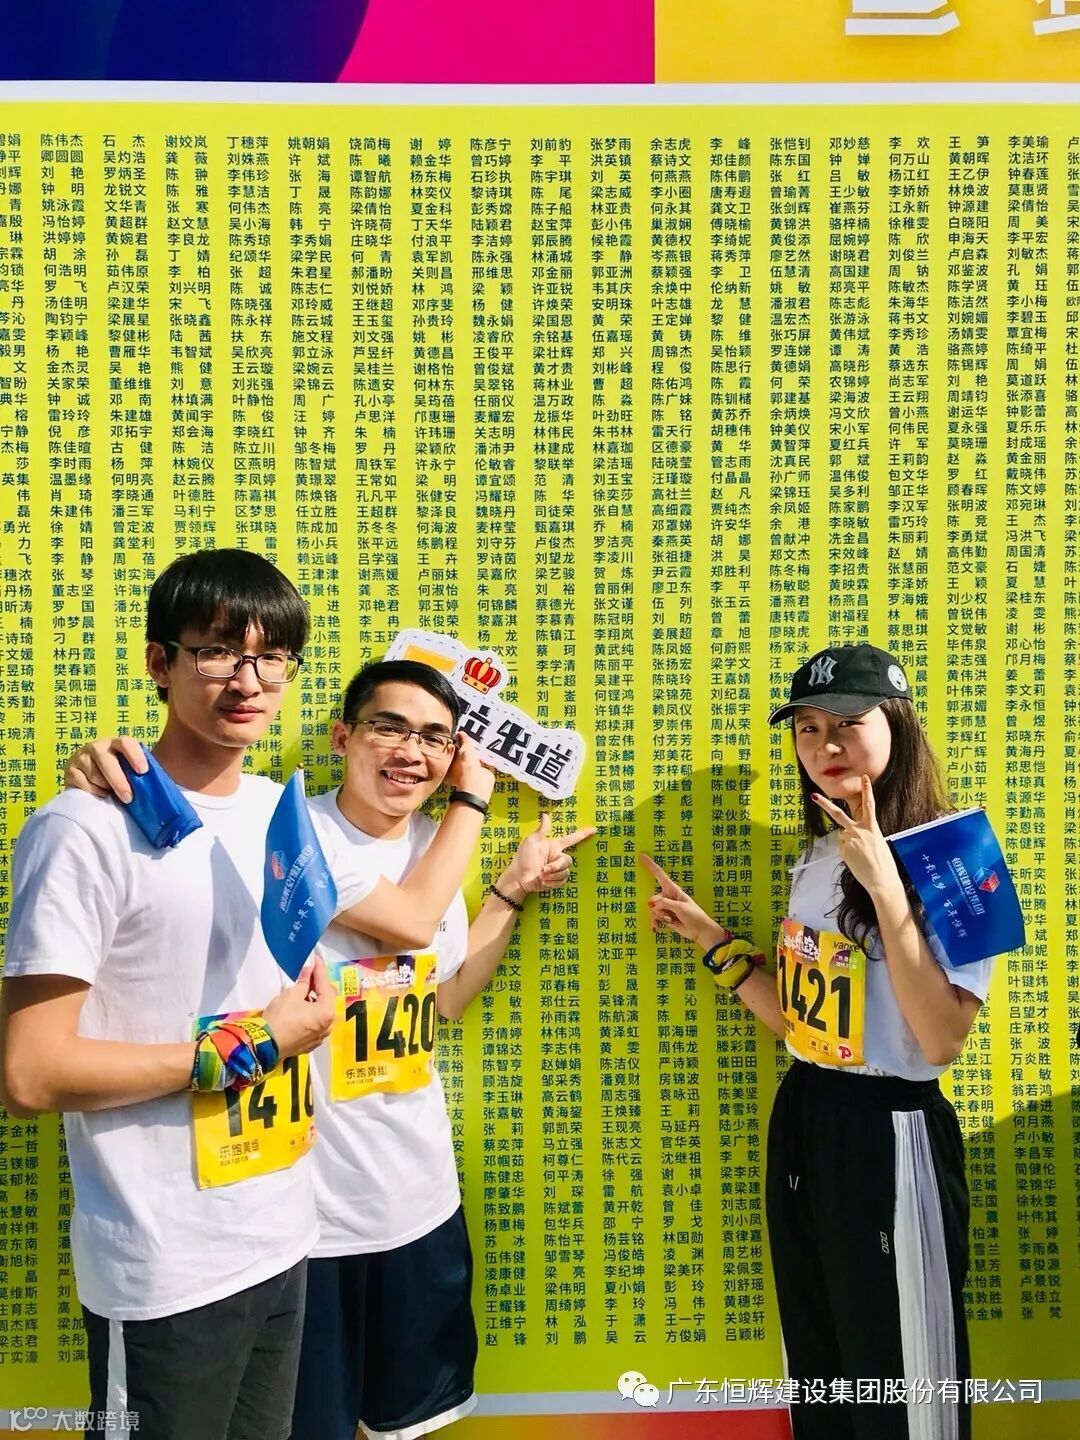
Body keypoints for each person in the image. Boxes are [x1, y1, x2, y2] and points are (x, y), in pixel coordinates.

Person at [0, 550, 493, 1439]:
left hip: (286, 1241)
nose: (248, 681)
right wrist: (253, 1045)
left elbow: (413, 924)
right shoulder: (83, 828)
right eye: (220, 652)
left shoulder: (283, 816)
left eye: (273, 659)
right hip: (166, 1267)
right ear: (160, 662)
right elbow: (32, 1075)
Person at [61, 655, 594, 1440]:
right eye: (390, 727)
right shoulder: (282, 834)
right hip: (302, 1219)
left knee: (402, 1421)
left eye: (435, 738)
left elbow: (442, 996)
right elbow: (404, 918)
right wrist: (107, 769)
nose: (410, 752)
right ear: (342, 737)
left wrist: (509, 891)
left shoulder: (438, 852)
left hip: (415, 1197)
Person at [641, 644, 993, 1440]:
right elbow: (811, 1030)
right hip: (806, 1113)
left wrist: (886, 885)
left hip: (892, 1130)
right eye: (807, 728)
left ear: (897, 726)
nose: (825, 745)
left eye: (847, 724)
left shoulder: (960, 855)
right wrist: (716, 946)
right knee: (824, 1370)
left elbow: (940, 1039)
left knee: (907, 1390)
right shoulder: (817, 852)